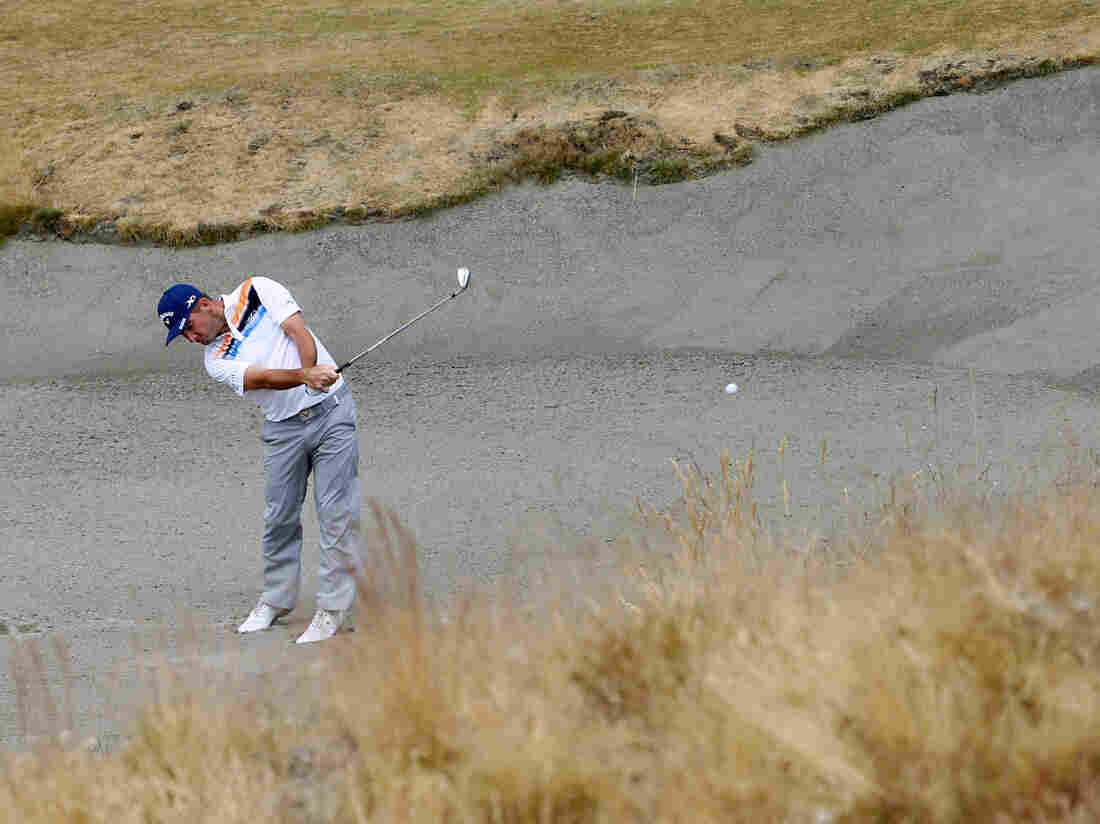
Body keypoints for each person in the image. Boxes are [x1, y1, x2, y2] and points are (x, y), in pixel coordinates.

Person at [157, 277, 361, 644]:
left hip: (332, 415)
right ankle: (276, 600)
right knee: (279, 516)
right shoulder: (214, 359)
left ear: (203, 305)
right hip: (283, 430)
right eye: (182, 337)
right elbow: (262, 378)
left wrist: (310, 371)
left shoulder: (256, 290)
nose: (191, 338)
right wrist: (305, 377)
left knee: (336, 513)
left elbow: (297, 331)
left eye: (187, 327)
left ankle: (333, 608)